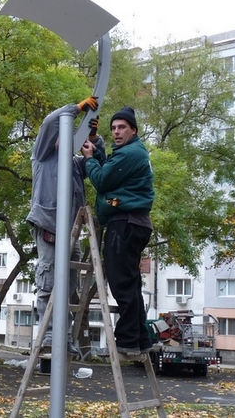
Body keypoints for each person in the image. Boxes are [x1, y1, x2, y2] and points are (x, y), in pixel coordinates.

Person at [26, 96, 105, 356]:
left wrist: (93, 137)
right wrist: (76, 109)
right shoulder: (43, 156)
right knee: (49, 283)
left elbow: (99, 161)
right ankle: (49, 336)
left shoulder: (74, 163)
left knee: (69, 288)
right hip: (49, 226)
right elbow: (50, 123)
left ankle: (63, 336)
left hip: (71, 232)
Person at [81, 106, 155, 356]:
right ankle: (141, 338)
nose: (116, 132)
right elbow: (109, 172)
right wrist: (96, 150)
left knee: (122, 283)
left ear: (133, 130)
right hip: (133, 223)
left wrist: (90, 159)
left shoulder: (131, 153)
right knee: (131, 283)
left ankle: (127, 340)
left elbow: (101, 180)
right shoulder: (127, 154)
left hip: (124, 223)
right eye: (113, 128)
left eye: (122, 127)